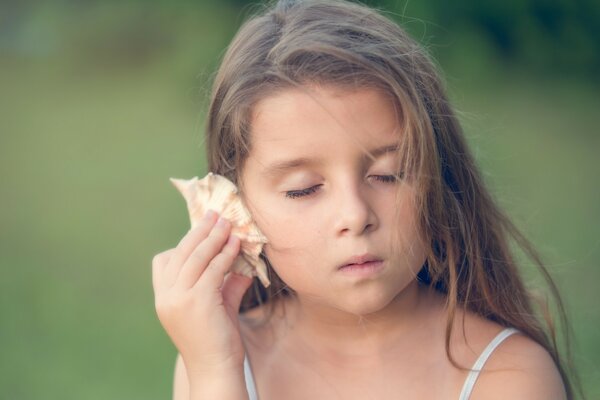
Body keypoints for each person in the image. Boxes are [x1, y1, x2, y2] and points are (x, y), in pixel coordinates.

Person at [151, 0, 579, 399]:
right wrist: (215, 371)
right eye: (304, 188)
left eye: (388, 175)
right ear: (236, 204)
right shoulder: (216, 357)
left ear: (439, 179)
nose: (355, 215)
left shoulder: (507, 376)